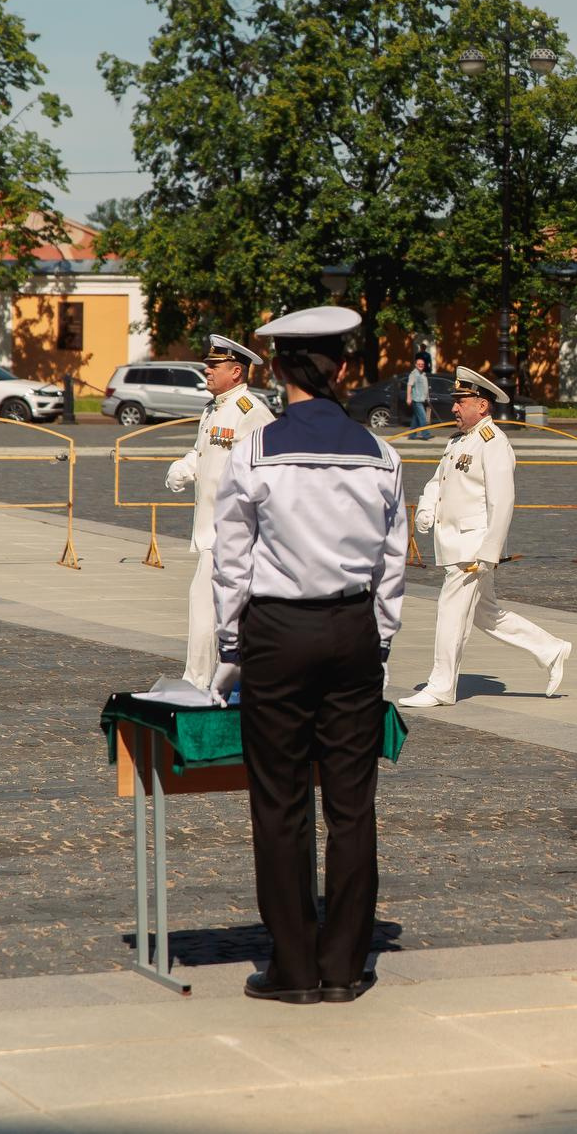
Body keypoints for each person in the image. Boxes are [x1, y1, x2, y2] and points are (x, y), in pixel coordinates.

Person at [211, 304, 408, 1006]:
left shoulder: (255, 450)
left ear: (279, 371)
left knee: (281, 800)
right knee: (353, 803)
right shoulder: (382, 454)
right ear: (344, 369)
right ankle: (346, 964)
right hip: (352, 628)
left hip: (278, 631)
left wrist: (232, 644)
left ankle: (293, 965)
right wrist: (377, 637)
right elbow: (392, 564)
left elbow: (231, 562)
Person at [399, 367, 572, 707]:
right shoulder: (460, 440)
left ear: (482, 405)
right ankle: (551, 649)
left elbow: (502, 500)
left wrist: (490, 551)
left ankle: (441, 685)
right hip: (456, 542)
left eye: (461, 401)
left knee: (451, 613)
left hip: (472, 546)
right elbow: (438, 480)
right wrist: (426, 507)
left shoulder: (493, 443)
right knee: (487, 614)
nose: (454, 408)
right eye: (455, 401)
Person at [164, 335, 275, 687]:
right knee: (211, 612)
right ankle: (209, 681)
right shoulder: (213, 408)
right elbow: (204, 452)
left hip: (236, 533)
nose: (207, 370)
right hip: (213, 530)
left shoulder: (251, 412)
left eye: (215, 365)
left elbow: (268, 471)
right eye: (207, 364)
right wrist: (184, 466)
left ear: (237, 371)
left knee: (209, 611)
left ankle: (200, 683)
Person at [405, 354, 431, 439]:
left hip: (421, 399)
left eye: (422, 364)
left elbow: (425, 387)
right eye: (419, 364)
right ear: (416, 365)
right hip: (416, 400)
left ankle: (412, 435)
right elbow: (409, 385)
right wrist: (408, 397)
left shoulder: (423, 374)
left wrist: (427, 398)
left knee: (416, 419)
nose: (421, 366)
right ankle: (426, 434)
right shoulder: (414, 374)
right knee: (423, 417)